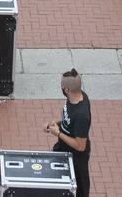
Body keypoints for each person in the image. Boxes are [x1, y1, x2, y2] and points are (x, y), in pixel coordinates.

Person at [46, 69, 92, 197]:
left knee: (78, 191)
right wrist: (54, 123)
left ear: (66, 89)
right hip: (62, 149)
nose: (60, 86)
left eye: (61, 85)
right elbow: (69, 120)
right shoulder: (74, 97)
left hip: (76, 159)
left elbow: (80, 146)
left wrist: (58, 133)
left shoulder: (82, 115)